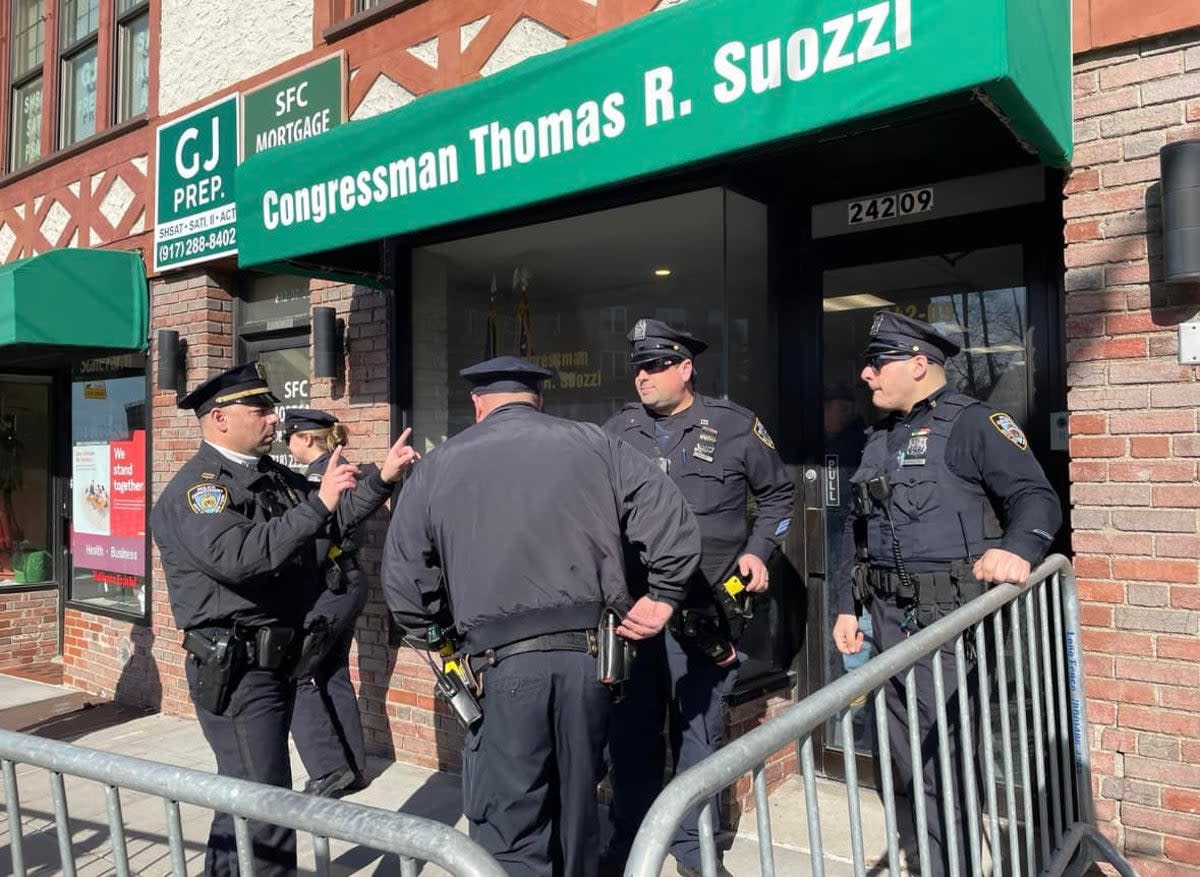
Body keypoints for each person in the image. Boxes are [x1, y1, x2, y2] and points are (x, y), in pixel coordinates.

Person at [381, 355, 702, 877]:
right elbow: (669, 513)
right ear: (539, 400)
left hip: (498, 664)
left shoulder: (438, 466)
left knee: (510, 822)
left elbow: (404, 585)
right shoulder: (594, 443)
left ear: (477, 404)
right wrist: (663, 595)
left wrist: (440, 639)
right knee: (578, 811)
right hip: (592, 663)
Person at [150, 362, 418, 877]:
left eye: (271, 409)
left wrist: (380, 480)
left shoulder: (268, 475)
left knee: (246, 792)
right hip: (238, 666)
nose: (273, 420)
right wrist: (317, 504)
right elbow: (242, 555)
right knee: (267, 802)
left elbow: (327, 520)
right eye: (260, 411)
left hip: (276, 657)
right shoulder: (200, 489)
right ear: (219, 418)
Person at [833, 311, 1061, 877]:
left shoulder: (975, 423)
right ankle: (935, 853)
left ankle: (951, 862)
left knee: (947, 751)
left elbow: (1037, 498)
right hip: (885, 616)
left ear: (918, 363)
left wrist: (1019, 549)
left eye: (877, 363)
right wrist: (846, 604)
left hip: (947, 617)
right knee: (906, 748)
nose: (866, 375)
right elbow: (853, 528)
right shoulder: (881, 436)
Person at [601, 319, 795, 877]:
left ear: (686, 369)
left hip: (705, 611)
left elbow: (779, 497)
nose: (645, 377)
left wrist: (761, 551)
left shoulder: (735, 426)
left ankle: (694, 851)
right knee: (631, 735)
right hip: (635, 613)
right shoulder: (617, 431)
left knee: (699, 734)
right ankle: (629, 845)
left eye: (657, 366)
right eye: (639, 367)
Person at [283, 408, 372, 797]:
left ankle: (328, 768)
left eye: (290, 438)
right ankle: (351, 766)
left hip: (329, 587)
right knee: (333, 672)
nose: (287, 445)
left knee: (296, 673)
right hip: (344, 583)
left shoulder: (323, 475)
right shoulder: (336, 468)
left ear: (305, 438)